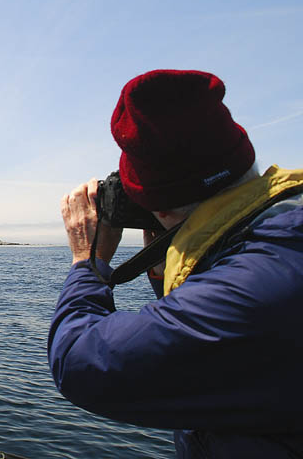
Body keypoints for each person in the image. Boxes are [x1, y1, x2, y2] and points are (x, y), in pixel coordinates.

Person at [48, 69, 303, 458]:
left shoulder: (252, 292)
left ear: (161, 207)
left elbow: (81, 362)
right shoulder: (279, 230)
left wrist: (88, 260)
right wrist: (174, 255)